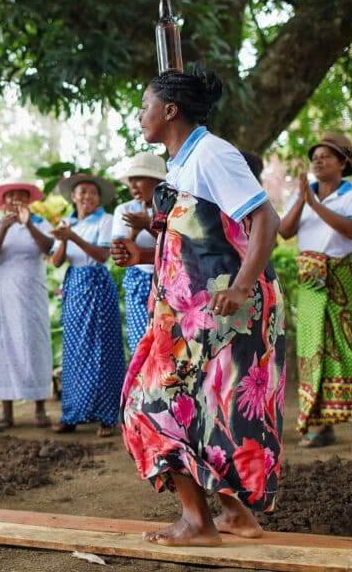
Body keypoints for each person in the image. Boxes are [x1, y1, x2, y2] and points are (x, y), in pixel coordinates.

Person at [117, 70, 284, 547]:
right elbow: (204, 240)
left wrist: (241, 284)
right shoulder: (182, 163)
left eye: (145, 104)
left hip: (223, 309)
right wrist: (145, 255)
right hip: (192, 311)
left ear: (170, 110)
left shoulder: (212, 153)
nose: (140, 114)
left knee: (147, 405)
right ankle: (236, 516)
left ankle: (197, 522)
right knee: (204, 410)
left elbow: (263, 217)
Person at [278, 132, 352, 452]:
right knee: (316, 351)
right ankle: (322, 427)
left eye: (326, 156)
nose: (318, 160)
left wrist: (314, 203)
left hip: (346, 279)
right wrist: (303, 199)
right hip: (312, 281)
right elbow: (284, 232)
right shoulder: (303, 195)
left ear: (343, 163)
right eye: (315, 156)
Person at [50, 174, 125, 437]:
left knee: (102, 349)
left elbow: (103, 255)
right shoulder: (67, 222)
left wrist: (72, 236)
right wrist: (64, 237)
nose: (87, 197)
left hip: (97, 284)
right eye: (82, 192)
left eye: (93, 193)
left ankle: (107, 417)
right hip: (74, 287)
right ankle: (72, 414)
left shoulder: (105, 221)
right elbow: (57, 262)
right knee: (74, 350)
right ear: (73, 196)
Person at [0, 179, 54, 431]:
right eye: (10, 197)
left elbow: (50, 247)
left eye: (20, 196)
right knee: (6, 344)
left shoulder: (41, 223)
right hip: (7, 292)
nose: (15, 200)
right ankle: (7, 410)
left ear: (28, 200)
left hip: (33, 291)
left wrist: (28, 224)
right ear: (4, 202)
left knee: (36, 344)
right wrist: (4, 228)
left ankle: (40, 407)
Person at [110, 153, 167, 356]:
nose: (133, 185)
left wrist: (147, 224)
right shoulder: (123, 210)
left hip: (169, 281)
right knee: (141, 345)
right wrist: (134, 230)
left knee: (167, 344)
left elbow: (175, 243)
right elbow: (119, 253)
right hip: (138, 281)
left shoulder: (173, 208)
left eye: (139, 179)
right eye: (131, 180)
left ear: (158, 181)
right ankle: (143, 388)